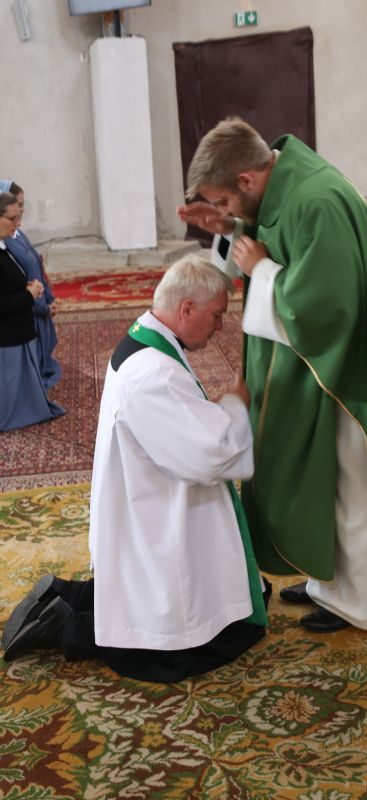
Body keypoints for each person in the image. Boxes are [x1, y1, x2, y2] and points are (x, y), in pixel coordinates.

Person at [177, 117, 367, 633]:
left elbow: (324, 306)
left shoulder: (315, 200)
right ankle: (335, 583)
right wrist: (231, 231)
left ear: (247, 179)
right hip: (341, 355)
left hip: (364, 362)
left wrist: (261, 271)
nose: (226, 211)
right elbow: (282, 249)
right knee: (333, 477)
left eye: (226, 202)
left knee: (361, 481)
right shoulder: (282, 186)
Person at [2, 255, 270, 681]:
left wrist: (210, 413)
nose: (220, 327)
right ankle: (66, 626)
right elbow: (211, 455)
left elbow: (180, 426)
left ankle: (64, 598)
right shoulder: (154, 372)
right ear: (186, 308)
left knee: (170, 594)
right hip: (157, 507)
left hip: (145, 491)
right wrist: (237, 406)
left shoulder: (147, 337)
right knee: (196, 642)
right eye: (217, 315)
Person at [0, 191, 64, 431]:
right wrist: (29, 294)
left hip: (19, 334)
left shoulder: (5, 245)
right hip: (8, 340)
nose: (18, 224)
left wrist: (31, 289)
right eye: (13, 218)